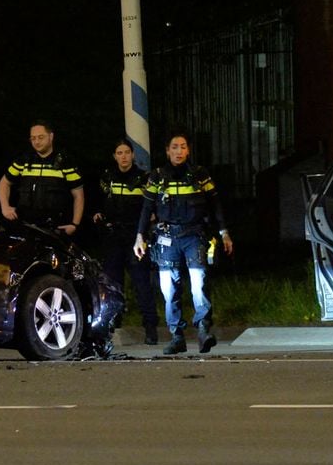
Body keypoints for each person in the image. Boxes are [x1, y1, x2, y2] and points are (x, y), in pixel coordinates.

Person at [133, 132, 234, 355]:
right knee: (169, 289)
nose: (179, 151)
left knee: (199, 284)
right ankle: (176, 336)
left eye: (183, 147)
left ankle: (203, 330)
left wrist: (224, 232)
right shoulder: (157, 177)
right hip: (167, 239)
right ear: (167, 151)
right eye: (175, 147)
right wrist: (139, 236)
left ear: (188, 150)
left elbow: (215, 204)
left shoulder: (199, 175)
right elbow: (146, 209)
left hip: (194, 236)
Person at [93, 138, 159, 344]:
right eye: (119, 153)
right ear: (114, 156)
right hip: (113, 238)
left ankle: (150, 328)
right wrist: (98, 215)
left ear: (132, 155)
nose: (123, 156)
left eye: (126, 152)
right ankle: (114, 325)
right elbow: (99, 203)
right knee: (112, 285)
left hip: (135, 237)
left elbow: (152, 208)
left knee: (141, 284)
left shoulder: (144, 178)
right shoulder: (107, 178)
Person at [0, 119, 85, 237]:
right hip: (24, 225)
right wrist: (5, 207)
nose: (36, 142)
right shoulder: (24, 160)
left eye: (40, 137)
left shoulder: (65, 162)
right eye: (33, 138)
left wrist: (75, 224)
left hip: (54, 226)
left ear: (51, 136)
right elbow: (4, 183)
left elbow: (78, 194)